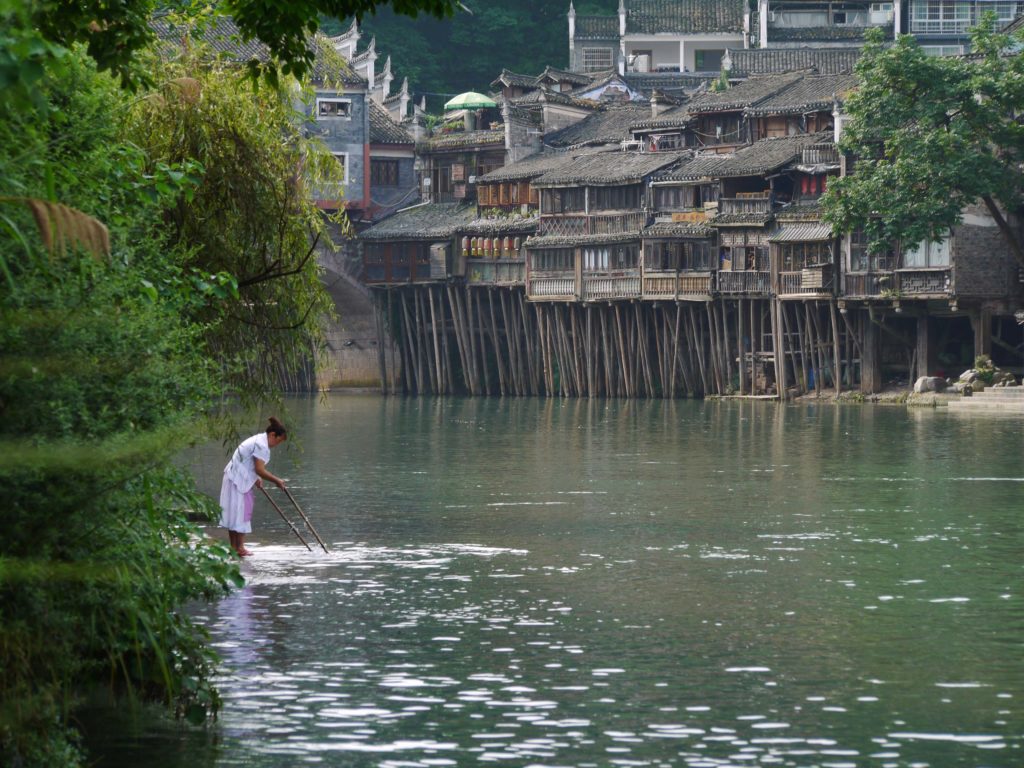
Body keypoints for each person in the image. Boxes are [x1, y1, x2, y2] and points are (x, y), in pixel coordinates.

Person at [219, 417, 287, 556]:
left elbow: (251, 465)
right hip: (237, 479)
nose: (275, 445)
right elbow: (259, 469)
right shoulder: (261, 445)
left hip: (234, 477)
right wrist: (276, 481)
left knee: (236, 513)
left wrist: (256, 478)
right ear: (272, 435)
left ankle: (235, 547)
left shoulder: (258, 439)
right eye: (277, 441)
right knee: (241, 513)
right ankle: (239, 547)